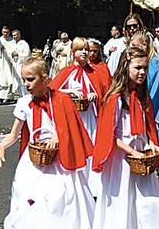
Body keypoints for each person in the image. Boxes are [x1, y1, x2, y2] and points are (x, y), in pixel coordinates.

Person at [0, 57, 95, 228]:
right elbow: (14, 134)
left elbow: (71, 126)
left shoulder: (60, 99)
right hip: (34, 159)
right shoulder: (24, 103)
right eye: (23, 80)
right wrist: (2, 145)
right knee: (30, 195)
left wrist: (58, 135)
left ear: (45, 78)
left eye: (30, 79)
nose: (26, 84)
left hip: (59, 159)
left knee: (59, 197)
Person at [91, 47, 159, 229]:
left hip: (142, 156)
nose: (142, 72)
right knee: (123, 198)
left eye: (145, 68)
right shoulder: (116, 98)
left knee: (148, 199)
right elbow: (109, 136)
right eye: (137, 68)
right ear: (125, 67)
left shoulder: (143, 97)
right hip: (122, 159)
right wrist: (133, 152)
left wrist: (152, 144)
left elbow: (148, 127)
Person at [49, 37, 110, 198]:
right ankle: (74, 184)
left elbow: (103, 93)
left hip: (90, 116)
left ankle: (93, 185)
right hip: (73, 117)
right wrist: (71, 92)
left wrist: (94, 95)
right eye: (80, 49)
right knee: (75, 146)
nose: (84, 52)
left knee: (91, 145)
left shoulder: (94, 71)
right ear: (73, 52)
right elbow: (52, 91)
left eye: (86, 49)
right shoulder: (66, 71)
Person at [0, 25, 15, 102]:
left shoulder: (12, 40)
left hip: (9, 62)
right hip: (0, 61)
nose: (5, 34)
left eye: (7, 32)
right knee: (1, 78)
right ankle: (1, 96)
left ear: (9, 32)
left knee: (9, 78)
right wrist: (0, 49)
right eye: (4, 32)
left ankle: (9, 96)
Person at [11, 29, 31, 97]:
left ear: (19, 35)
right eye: (13, 35)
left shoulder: (24, 44)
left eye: (15, 35)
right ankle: (20, 95)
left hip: (22, 65)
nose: (14, 37)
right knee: (18, 81)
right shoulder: (12, 44)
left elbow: (27, 54)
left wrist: (18, 54)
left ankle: (25, 95)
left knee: (22, 81)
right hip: (15, 65)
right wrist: (11, 54)